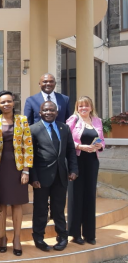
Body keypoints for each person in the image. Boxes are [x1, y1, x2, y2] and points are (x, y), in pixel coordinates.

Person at [29, 101, 78, 252]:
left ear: (57, 112)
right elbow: (30, 156)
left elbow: (70, 150)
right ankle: (38, 238)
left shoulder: (64, 128)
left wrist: (73, 169)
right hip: (41, 177)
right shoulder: (33, 129)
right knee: (41, 209)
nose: (49, 112)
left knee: (58, 208)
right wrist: (33, 177)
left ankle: (62, 237)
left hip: (61, 175)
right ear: (40, 112)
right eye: (45, 110)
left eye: (52, 110)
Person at [0, 91, 33, 256]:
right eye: (2, 102)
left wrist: (26, 170)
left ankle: (16, 238)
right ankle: (2, 237)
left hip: (17, 168)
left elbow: (28, 145)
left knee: (17, 204)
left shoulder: (22, 120)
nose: (6, 104)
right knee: (1, 205)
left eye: (8, 101)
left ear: (13, 103)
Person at [66, 96, 105, 246]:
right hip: (76, 160)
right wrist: (80, 146)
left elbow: (102, 140)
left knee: (90, 195)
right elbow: (67, 140)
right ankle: (75, 234)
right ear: (77, 107)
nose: (83, 108)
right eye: (80, 106)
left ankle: (89, 234)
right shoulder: (73, 120)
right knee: (76, 195)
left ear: (91, 107)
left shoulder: (97, 121)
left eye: (86, 106)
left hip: (92, 161)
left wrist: (98, 146)